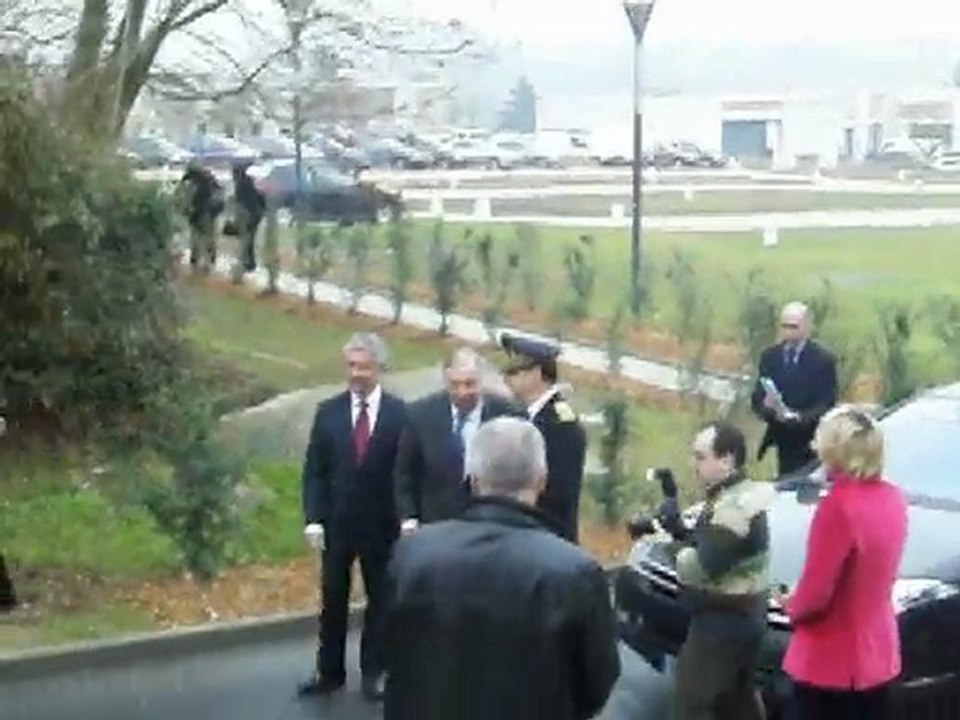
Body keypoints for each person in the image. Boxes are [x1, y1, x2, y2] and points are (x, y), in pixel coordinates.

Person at [382, 416, 621, 720]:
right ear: (541, 481)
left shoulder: (413, 552)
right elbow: (598, 682)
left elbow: (388, 649)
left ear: (473, 478)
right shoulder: (574, 572)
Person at [298, 333, 407, 702]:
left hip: (382, 526)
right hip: (337, 525)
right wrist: (313, 518)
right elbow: (315, 469)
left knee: (381, 600)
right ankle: (329, 672)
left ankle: (375, 672)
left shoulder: (400, 414)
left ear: (379, 368)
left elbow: (404, 472)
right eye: (351, 366)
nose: (356, 374)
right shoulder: (327, 412)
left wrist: (407, 517)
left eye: (364, 366)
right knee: (333, 598)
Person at [780, 405, 907, 720]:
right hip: (877, 655)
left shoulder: (838, 506)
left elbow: (816, 595)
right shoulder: (892, 498)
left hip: (830, 664)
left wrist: (790, 604)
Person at [673, 422, 775, 720]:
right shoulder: (735, 495)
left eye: (701, 457)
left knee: (696, 704)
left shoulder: (734, 507)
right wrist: (682, 532)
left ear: (727, 460)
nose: (695, 465)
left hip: (722, 627)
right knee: (738, 705)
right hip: (742, 621)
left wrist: (674, 549)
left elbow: (700, 568)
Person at [394, 347, 520, 531]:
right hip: (436, 526)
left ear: (482, 380)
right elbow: (405, 473)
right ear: (445, 380)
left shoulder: (508, 414)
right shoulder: (420, 415)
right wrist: (409, 519)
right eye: (455, 384)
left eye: (470, 384)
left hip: (490, 527)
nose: (462, 392)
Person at [499, 332, 586, 543]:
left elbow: (557, 491)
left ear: (536, 373)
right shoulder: (527, 415)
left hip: (549, 536)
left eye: (515, 371)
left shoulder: (560, 424)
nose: (507, 379)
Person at [751, 301, 837, 476]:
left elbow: (826, 402)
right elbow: (757, 396)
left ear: (806, 327)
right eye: (784, 326)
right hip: (780, 436)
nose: (788, 331)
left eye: (793, 327)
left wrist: (799, 418)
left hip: (809, 439)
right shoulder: (770, 356)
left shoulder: (822, 360)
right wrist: (767, 406)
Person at [179, 161, 225, 271]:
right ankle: (209, 261)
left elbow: (193, 200)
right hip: (211, 213)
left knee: (198, 236)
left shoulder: (198, 182)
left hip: (202, 213)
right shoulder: (211, 180)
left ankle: (198, 260)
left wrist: (189, 211)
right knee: (209, 237)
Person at [230, 161, 265, 273]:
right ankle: (249, 262)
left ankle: (246, 262)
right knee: (250, 239)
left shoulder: (241, 184)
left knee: (246, 239)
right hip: (255, 213)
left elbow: (239, 201)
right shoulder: (249, 182)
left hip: (248, 213)